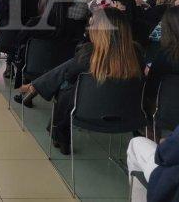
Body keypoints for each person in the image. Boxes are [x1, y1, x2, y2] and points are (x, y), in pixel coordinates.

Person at [17, 8, 143, 154]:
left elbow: (68, 73)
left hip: (88, 110)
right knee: (69, 81)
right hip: (126, 112)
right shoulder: (137, 53)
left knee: (66, 86)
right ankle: (37, 90)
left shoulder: (89, 53)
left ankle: (59, 131)